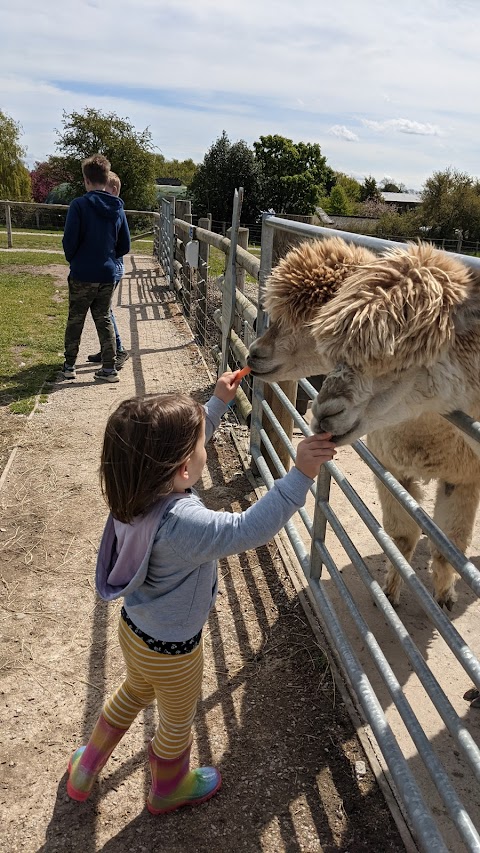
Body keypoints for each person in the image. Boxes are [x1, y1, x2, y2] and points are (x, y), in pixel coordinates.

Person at [66, 371, 336, 814]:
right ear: (183, 469)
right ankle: (169, 787)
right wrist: (300, 474)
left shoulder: (130, 491)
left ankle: (86, 767)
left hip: (134, 631)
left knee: (132, 691)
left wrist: (216, 403)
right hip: (174, 652)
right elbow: (250, 528)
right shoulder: (184, 524)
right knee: (176, 722)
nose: (204, 448)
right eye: (201, 445)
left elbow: (171, 453)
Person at [61, 154, 131, 384]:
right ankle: (109, 368)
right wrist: (109, 256)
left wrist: (75, 259)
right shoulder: (117, 208)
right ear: (105, 178)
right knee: (104, 318)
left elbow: (70, 240)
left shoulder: (79, 205)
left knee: (76, 318)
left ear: (86, 180)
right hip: (107, 273)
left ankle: (69, 364)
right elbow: (125, 245)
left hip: (83, 272)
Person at [87, 170, 129, 370]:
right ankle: (108, 348)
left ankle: (117, 348)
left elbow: (123, 243)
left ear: (112, 190)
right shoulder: (109, 210)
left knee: (103, 310)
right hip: (110, 266)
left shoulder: (114, 210)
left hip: (112, 268)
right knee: (101, 309)